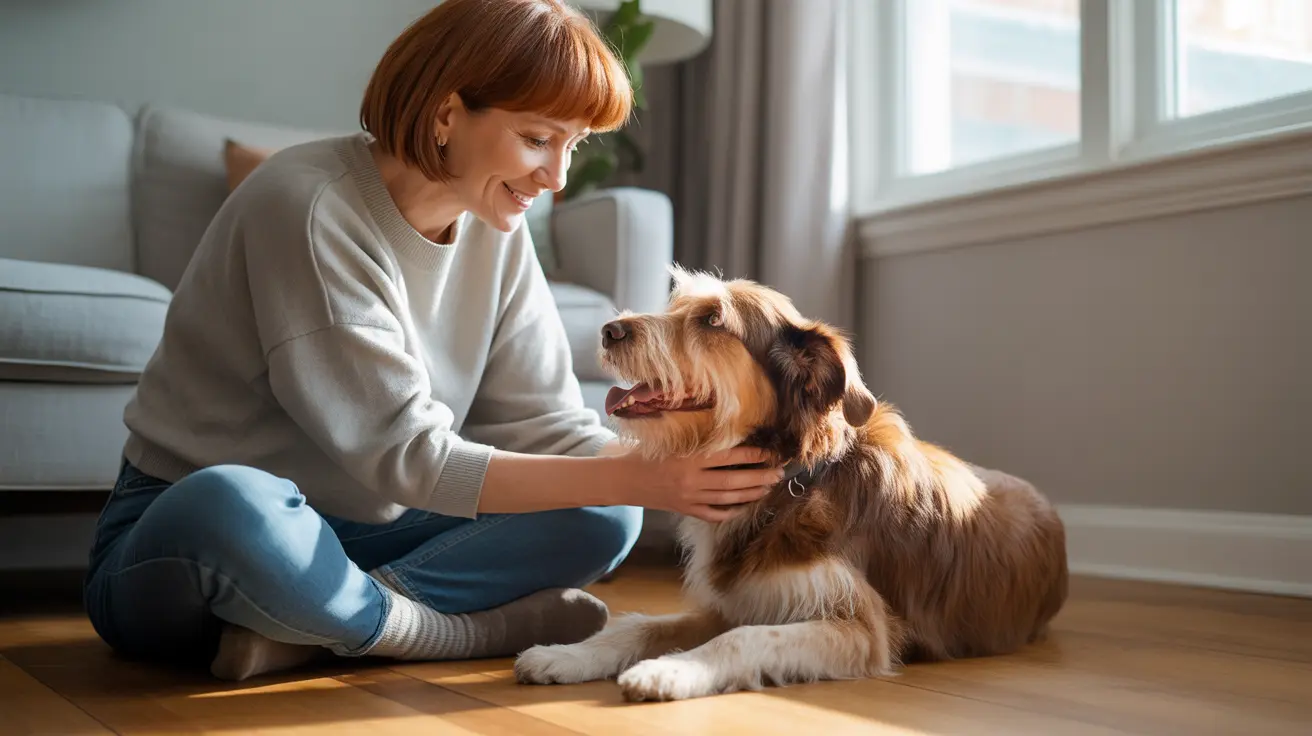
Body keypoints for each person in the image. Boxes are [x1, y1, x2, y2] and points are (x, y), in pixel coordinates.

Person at [81, 0, 783, 682]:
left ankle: (319, 626)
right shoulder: (305, 207)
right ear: (447, 115)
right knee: (232, 503)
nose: (558, 177)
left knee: (605, 511)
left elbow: (544, 425)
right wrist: (636, 473)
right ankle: (449, 633)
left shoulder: (494, 225)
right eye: (538, 138)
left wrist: (670, 469)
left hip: (368, 534)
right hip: (196, 539)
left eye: (573, 146)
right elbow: (407, 455)